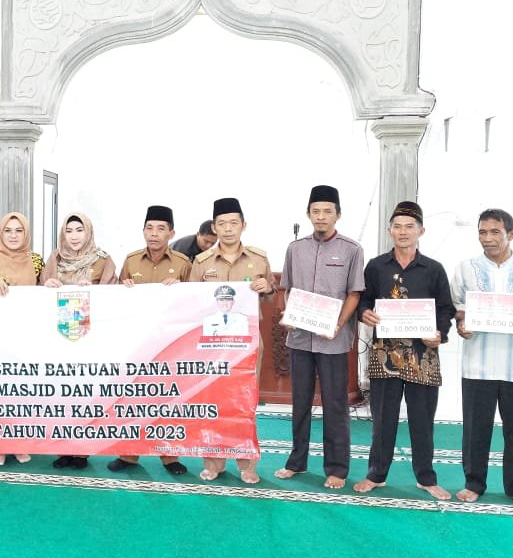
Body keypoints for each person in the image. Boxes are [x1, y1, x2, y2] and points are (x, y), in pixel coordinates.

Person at [353, 202, 455, 500]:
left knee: (422, 419)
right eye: (397, 226)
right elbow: (363, 300)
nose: (403, 232)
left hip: (424, 355)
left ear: (421, 231)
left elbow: (446, 309)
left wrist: (441, 334)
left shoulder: (434, 269)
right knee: (383, 418)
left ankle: (426, 477)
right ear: (389, 231)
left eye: (409, 226)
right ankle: (376, 475)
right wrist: (364, 314)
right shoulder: (375, 266)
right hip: (385, 355)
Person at [451, 208, 513, 509]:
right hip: (477, 364)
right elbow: (457, 305)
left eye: (495, 232)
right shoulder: (466, 267)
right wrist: (461, 324)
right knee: (475, 428)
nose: (488, 238)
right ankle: (474, 483)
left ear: (511, 234)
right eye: (482, 232)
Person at [275, 185, 365, 489]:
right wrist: (288, 315)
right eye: (316, 211)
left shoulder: (352, 249)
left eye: (328, 211)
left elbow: (354, 293)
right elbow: (286, 288)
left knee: (335, 403)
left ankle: (337, 468)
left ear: (338, 214)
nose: (321, 217)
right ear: (309, 214)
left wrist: (339, 324)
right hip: (299, 339)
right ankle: (296, 462)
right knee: (299, 402)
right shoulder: (294, 248)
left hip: (332, 341)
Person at [187, 197, 274, 484]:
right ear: (214, 227)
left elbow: (271, 294)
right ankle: (214, 463)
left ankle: (247, 464)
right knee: (212, 402)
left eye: (233, 223)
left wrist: (266, 287)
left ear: (243, 225)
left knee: (245, 403)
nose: (228, 229)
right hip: (212, 345)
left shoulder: (258, 258)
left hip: (248, 343)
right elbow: (191, 302)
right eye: (221, 224)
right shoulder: (201, 263)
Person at [110, 204, 191, 476]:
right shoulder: (131, 261)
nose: (154, 234)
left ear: (171, 232)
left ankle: (170, 457)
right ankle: (129, 455)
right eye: (149, 228)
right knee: (132, 399)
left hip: (170, 345)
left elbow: (194, 303)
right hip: (137, 344)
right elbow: (118, 303)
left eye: (160, 229)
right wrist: (123, 290)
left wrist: (179, 291)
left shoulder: (183, 263)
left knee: (167, 399)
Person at [41, 211, 119, 469]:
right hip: (58, 339)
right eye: (69, 231)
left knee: (86, 394)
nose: (74, 236)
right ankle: (64, 449)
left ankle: (82, 451)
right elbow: (38, 294)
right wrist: (47, 287)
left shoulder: (103, 261)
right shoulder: (54, 259)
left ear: (89, 232)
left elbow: (115, 295)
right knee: (62, 394)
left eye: (79, 230)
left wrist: (95, 291)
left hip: (90, 340)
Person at [0, 210, 44, 466]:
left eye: (19, 230)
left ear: (26, 233)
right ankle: (0, 445)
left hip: (27, 336)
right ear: (1, 233)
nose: (13, 235)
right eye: (8, 230)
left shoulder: (36, 261)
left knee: (23, 393)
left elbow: (44, 291)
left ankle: (20, 443)